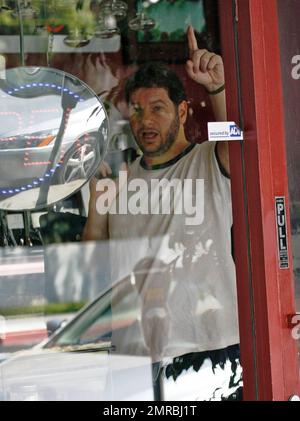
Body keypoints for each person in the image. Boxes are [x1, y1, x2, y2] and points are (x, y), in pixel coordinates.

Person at [83, 26, 242, 400]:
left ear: (183, 110)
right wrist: (94, 206)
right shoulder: (118, 179)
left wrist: (217, 88)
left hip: (208, 349)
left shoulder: (208, 160)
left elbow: (239, 142)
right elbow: (91, 263)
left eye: (157, 108)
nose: (145, 121)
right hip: (134, 357)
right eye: (137, 110)